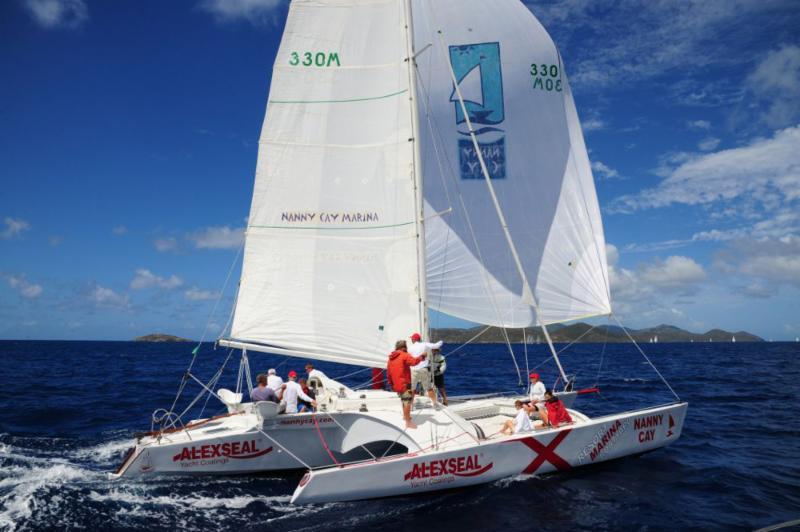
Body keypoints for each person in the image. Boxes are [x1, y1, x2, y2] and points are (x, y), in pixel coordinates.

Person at [387, 340, 427, 429]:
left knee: (404, 400)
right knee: (408, 402)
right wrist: (422, 356)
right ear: (404, 347)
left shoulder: (391, 358)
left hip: (396, 384)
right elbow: (414, 362)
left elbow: (389, 373)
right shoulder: (404, 355)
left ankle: (405, 416)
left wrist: (391, 384)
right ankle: (408, 422)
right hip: (405, 383)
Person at [408, 332, 442, 407]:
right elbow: (437, 345)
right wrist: (441, 341)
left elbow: (408, 359)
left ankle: (410, 406)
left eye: (412, 339)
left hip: (413, 370)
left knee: (412, 389)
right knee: (429, 388)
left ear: (413, 339)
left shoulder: (410, 348)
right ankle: (435, 403)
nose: (411, 340)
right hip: (424, 369)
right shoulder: (425, 344)